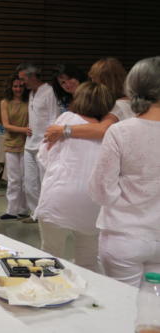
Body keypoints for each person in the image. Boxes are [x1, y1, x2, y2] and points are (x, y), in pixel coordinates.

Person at [89, 56, 160, 287]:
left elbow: (101, 191)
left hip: (124, 234)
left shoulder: (120, 132)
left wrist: (127, 200)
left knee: (125, 313)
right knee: (153, 314)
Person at [35, 82, 114, 272]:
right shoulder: (110, 131)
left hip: (59, 195)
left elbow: (43, 156)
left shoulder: (67, 119)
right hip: (92, 201)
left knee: (49, 255)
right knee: (88, 261)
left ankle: (48, 296)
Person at [44, 57, 130, 143]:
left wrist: (63, 130)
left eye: (94, 80)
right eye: (62, 82)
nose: (92, 83)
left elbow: (102, 129)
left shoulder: (118, 105)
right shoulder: (124, 101)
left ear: (105, 81)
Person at [17, 63, 59, 217]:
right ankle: (35, 213)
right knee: (29, 184)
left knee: (44, 182)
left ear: (32, 76)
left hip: (45, 143)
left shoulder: (49, 91)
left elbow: (54, 118)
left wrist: (51, 141)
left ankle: (46, 214)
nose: (21, 83)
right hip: (29, 144)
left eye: (23, 79)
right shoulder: (31, 93)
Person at [0, 74, 30, 221]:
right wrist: (24, 130)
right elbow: (6, 125)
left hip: (27, 144)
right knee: (14, 179)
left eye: (21, 86)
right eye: (15, 86)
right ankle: (11, 210)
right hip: (11, 143)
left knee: (26, 179)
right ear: (11, 87)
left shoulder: (29, 101)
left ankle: (24, 209)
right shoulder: (5, 102)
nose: (18, 89)